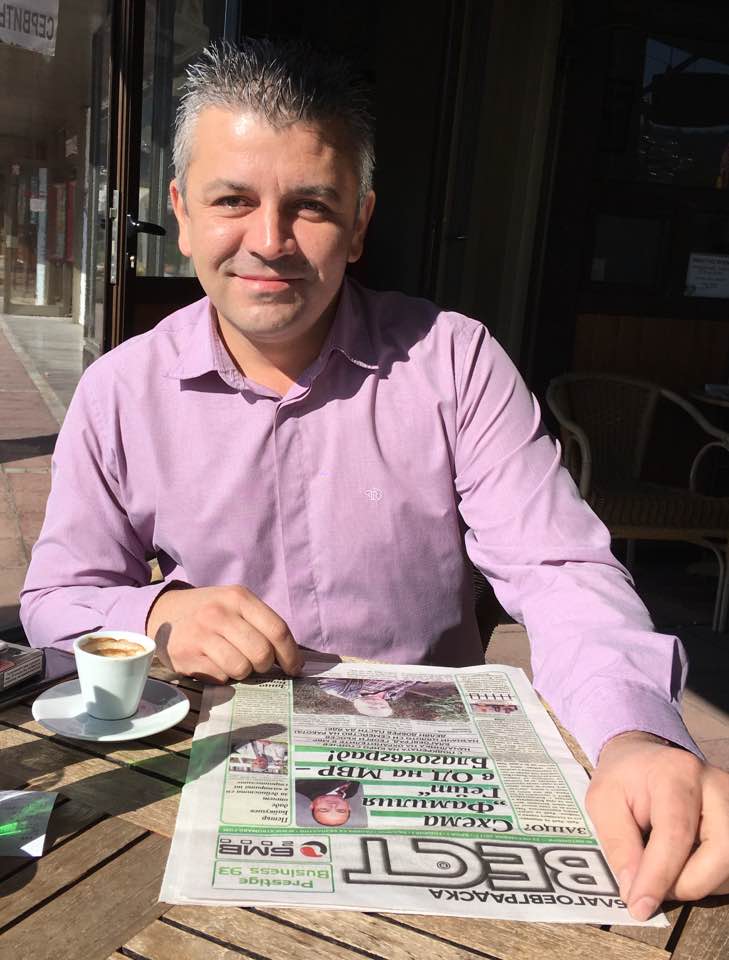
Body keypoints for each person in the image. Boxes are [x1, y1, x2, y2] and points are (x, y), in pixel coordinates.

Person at [19, 39, 729, 920]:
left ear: (359, 223)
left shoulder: (455, 363)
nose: (268, 242)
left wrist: (632, 734)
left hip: (430, 783)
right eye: (232, 200)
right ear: (183, 214)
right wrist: (159, 615)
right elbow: (57, 599)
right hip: (205, 776)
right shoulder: (119, 391)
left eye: (311, 206)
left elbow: (558, 569)